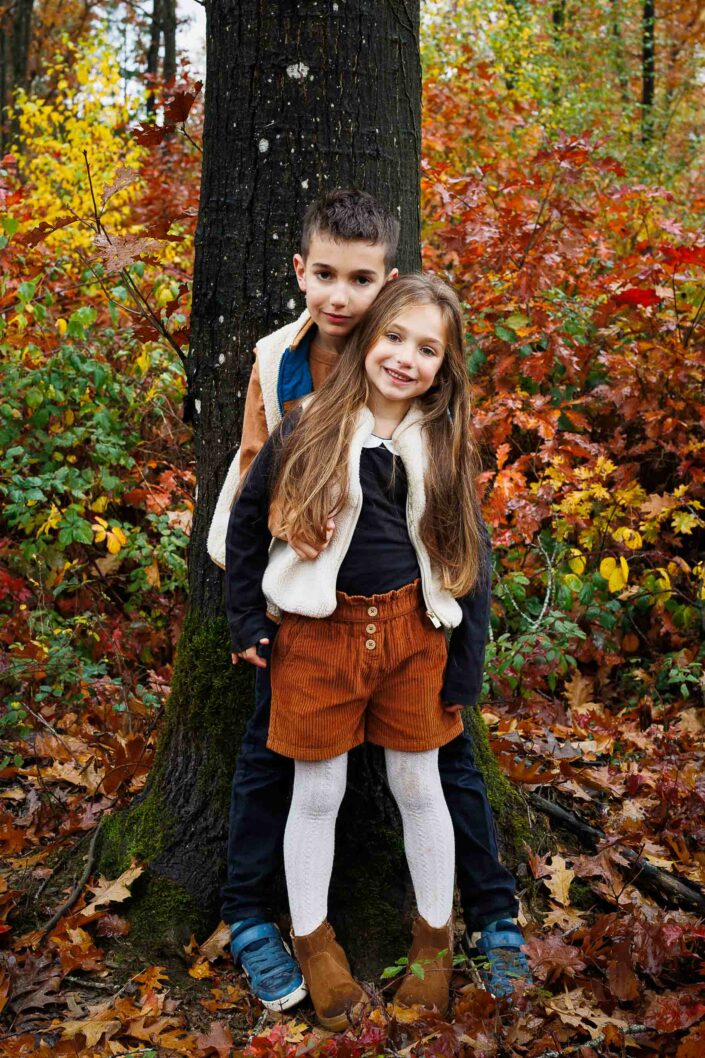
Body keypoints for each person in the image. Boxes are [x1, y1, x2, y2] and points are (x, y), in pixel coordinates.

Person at [213, 191, 528, 1013]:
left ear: (382, 282)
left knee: (429, 773)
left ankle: (461, 926)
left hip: (412, 628)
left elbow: (465, 553)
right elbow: (252, 492)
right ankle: (288, 932)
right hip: (314, 625)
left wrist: (466, 658)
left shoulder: (437, 430)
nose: (342, 298)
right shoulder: (288, 376)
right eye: (325, 276)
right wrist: (249, 608)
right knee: (292, 775)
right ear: (302, 273)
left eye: (361, 283)